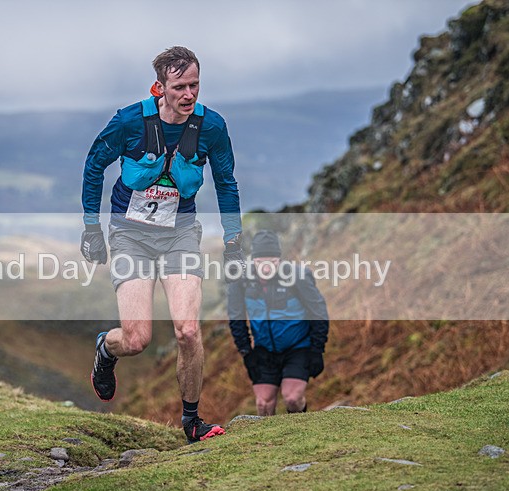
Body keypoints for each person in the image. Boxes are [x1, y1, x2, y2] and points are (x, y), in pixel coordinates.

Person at [81, 46, 244, 443]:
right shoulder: (129, 121)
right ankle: (107, 348)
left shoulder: (213, 127)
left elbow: (226, 182)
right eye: (180, 87)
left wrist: (234, 237)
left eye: (195, 85)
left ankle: (191, 421)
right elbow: (93, 165)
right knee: (136, 340)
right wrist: (91, 228)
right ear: (159, 87)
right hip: (130, 234)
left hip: (180, 232)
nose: (189, 94)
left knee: (188, 331)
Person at [227, 230, 329, 416]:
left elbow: (319, 312)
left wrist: (317, 350)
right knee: (264, 404)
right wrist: (246, 353)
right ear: (252, 260)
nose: (266, 268)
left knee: (292, 399)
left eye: (272, 262)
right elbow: (236, 319)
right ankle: (268, 443)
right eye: (260, 262)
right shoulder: (240, 281)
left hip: (298, 347)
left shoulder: (298, 277)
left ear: (279, 260)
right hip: (264, 350)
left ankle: (299, 435)